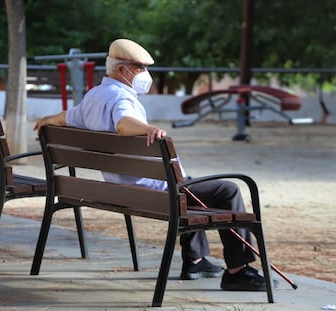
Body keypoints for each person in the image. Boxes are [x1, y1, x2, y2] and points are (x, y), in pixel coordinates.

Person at [34, 38, 271, 291]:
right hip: (154, 191)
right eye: (139, 68)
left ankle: (196, 260)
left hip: (121, 188)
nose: (145, 74)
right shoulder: (121, 99)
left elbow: (66, 118)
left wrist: (45, 121)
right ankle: (238, 271)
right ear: (120, 69)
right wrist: (149, 128)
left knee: (188, 184)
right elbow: (123, 123)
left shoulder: (95, 95)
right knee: (227, 191)